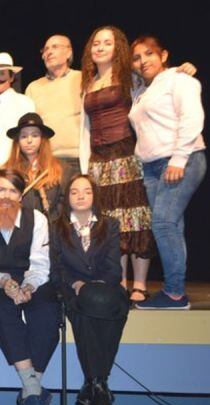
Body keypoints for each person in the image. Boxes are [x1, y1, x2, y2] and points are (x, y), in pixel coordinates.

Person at [129, 35, 207, 309]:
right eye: (137, 58)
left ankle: (174, 293)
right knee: (172, 225)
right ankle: (176, 290)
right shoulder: (141, 91)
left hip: (179, 160)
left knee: (162, 224)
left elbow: (192, 117)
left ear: (163, 55)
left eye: (149, 54)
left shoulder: (179, 80)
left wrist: (179, 158)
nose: (143, 61)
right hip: (151, 167)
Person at [79, 26, 155, 302]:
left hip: (126, 153)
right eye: (96, 43)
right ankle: (119, 281)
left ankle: (141, 284)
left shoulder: (130, 77)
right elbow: (85, 128)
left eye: (107, 43)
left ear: (117, 48)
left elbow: (158, 86)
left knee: (136, 217)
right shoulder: (87, 83)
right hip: (99, 159)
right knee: (112, 221)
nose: (100, 47)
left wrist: (181, 70)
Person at [0, 169, 57, 405]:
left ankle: (29, 390)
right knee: (0, 308)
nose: (6, 196)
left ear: (21, 196)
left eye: (13, 191)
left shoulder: (36, 219)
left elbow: (40, 262)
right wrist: (4, 282)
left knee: (48, 314)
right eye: (1, 189)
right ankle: (35, 389)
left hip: (32, 278)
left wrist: (28, 286)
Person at [51, 175, 128, 405]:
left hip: (105, 288)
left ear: (95, 195)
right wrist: (77, 284)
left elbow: (115, 268)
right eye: (74, 192)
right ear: (67, 198)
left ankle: (93, 384)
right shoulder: (56, 227)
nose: (81, 196)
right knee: (85, 311)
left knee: (108, 306)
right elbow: (57, 268)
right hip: (72, 289)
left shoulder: (111, 224)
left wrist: (96, 286)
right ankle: (99, 385)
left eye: (86, 191)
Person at [25, 35, 83, 175]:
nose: (49, 52)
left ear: (69, 53)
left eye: (55, 47)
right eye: (45, 49)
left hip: (80, 159)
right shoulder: (33, 87)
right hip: (47, 162)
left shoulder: (82, 78)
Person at [4, 113, 69, 221]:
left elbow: (65, 202)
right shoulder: (6, 170)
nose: (29, 140)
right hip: (19, 231)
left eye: (35, 135)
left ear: (42, 139)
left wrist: (49, 224)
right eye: (24, 136)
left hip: (52, 229)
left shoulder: (61, 168)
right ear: (18, 141)